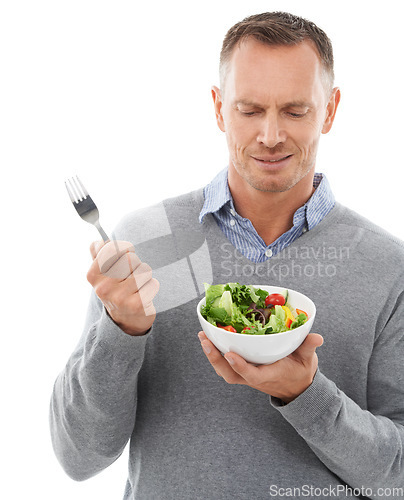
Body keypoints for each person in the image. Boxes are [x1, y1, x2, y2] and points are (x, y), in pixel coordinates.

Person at [50, 11, 404, 500]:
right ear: (219, 109)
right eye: (249, 109)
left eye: (296, 110)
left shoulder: (388, 268)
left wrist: (306, 396)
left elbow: (399, 477)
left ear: (331, 109)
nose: (271, 135)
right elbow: (78, 457)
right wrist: (121, 330)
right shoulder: (145, 243)